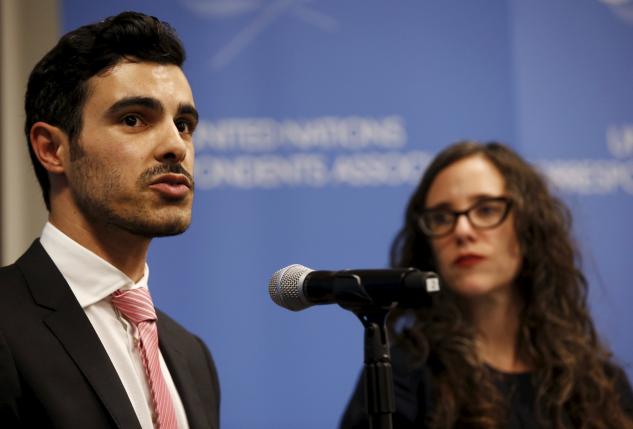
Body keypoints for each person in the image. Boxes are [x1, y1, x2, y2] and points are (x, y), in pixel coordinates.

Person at [0, 11, 219, 428]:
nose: (175, 145)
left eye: (184, 124)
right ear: (52, 149)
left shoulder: (192, 357)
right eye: (134, 119)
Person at [340, 141, 633, 428]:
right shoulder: (399, 375)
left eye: (486, 210)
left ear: (528, 226)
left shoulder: (597, 383)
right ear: (428, 245)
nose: (462, 231)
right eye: (441, 217)